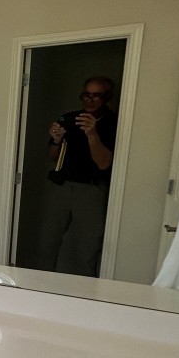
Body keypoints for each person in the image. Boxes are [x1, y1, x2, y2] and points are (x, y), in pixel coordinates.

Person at [36, 77, 118, 276]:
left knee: (87, 244)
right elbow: (52, 157)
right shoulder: (69, 118)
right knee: (48, 240)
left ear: (107, 98)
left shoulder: (114, 122)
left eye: (96, 95)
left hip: (91, 189)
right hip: (61, 185)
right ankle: (38, 284)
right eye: (86, 95)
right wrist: (56, 140)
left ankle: (83, 292)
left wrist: (92, 134)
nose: (89, 100)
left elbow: (104, 163)